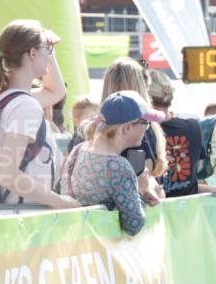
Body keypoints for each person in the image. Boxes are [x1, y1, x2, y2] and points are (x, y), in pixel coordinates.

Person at [0, 20, 78, 208]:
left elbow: (56, 92)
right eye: (47, 50)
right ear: (33, 53)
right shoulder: (25, 107)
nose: (49, 53)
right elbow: (7, 174)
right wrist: (58, 201)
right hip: (20, 216)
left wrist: (49, 52)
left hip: (5, 213)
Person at [60, 91, 165, 236]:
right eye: (146, 123)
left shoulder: (78, 149)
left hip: (73, 241)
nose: (148, 129)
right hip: (100, 247)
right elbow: (134, 224)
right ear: (127, 128)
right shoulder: (118, 166)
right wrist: (139, 189)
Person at [146, 72, 216, 202]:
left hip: (156, 216)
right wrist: (214, 189)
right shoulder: (192, 127)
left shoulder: (142, 131)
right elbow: (190, 182)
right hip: (189, 214)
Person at [100, 57, 167, 201]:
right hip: (134, 210)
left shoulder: (93, 126)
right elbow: (143, 179)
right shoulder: (143, 128)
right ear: (140, 85)